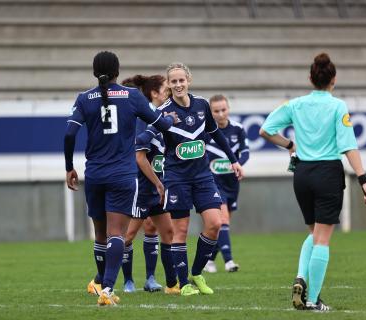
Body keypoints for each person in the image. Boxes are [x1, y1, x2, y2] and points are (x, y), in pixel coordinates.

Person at [259, 53, 366, 312]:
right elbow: (348, 147)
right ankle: (313, 299)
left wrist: (290, 145)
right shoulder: (337, 107)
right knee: (322, 239)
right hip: (327, 174)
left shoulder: (296, 104)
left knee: (314, 234)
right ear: (333, 79)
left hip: (302, 174)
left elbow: (265, 130)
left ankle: (301, 278)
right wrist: (364, 181)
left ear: (310, 78)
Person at [63, 51, 177, 306]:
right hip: (123, 175)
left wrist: (70, 167)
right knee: (118, 234)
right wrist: (169, 118)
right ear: (117, 71)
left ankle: (102, 284)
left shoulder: (84, 99)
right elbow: (162, 124)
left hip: (94, 174)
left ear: (95, 72)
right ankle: (107, 289)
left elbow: (70, 134)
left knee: (100, 235)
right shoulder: (132, 96)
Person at [138, 62, 244, 296]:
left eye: (181, 80)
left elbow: (215, 133)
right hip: (177, 178)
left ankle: (197, 272)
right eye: (173, 81)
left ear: (189, 80)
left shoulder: (201, 105)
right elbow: (145, 137)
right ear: (170, 84)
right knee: (181, 230)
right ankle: (184, 283)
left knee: (215, 223)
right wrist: (152, 132)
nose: (177, 85)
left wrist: (234, 160)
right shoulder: (163, 113)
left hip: (203, 176)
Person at [119, 74, 179, 294]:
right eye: (166, 88)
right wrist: (157, 182)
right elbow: (139, 156)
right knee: (127, 236)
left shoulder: (159, 116)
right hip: (142, 186)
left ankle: (160, 281)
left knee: (166, 231)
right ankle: (123, 280)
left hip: (157, 184)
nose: (170, 91)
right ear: (154, 93)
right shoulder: (145, 117)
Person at [203, 94, 250, 273]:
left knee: (221, 225)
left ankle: (209, 260)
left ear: (228, 109)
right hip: (213, 183)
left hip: (232, 183)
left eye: (224, 110)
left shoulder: (238, 129)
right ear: (211, 112)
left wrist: (238, 165)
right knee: (222, 220)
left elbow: (245, 152)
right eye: (216, 111)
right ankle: (229, 261)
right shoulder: (207, 132)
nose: (221, 114)